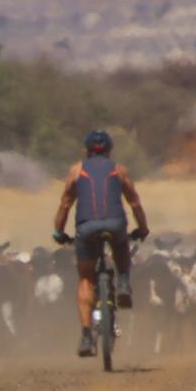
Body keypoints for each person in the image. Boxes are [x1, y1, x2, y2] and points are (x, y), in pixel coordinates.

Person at [52, 129, 150, 358]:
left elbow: (65, 204)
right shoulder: (119, 170)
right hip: (115, 224)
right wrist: (143, 228)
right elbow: (135, 203)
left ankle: (87, 336)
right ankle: (123, 283)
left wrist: (58, 232)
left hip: (86, 227)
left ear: (86, 150)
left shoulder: (77, 170)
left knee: (86, 278)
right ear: (110, 150)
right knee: (121, 246)